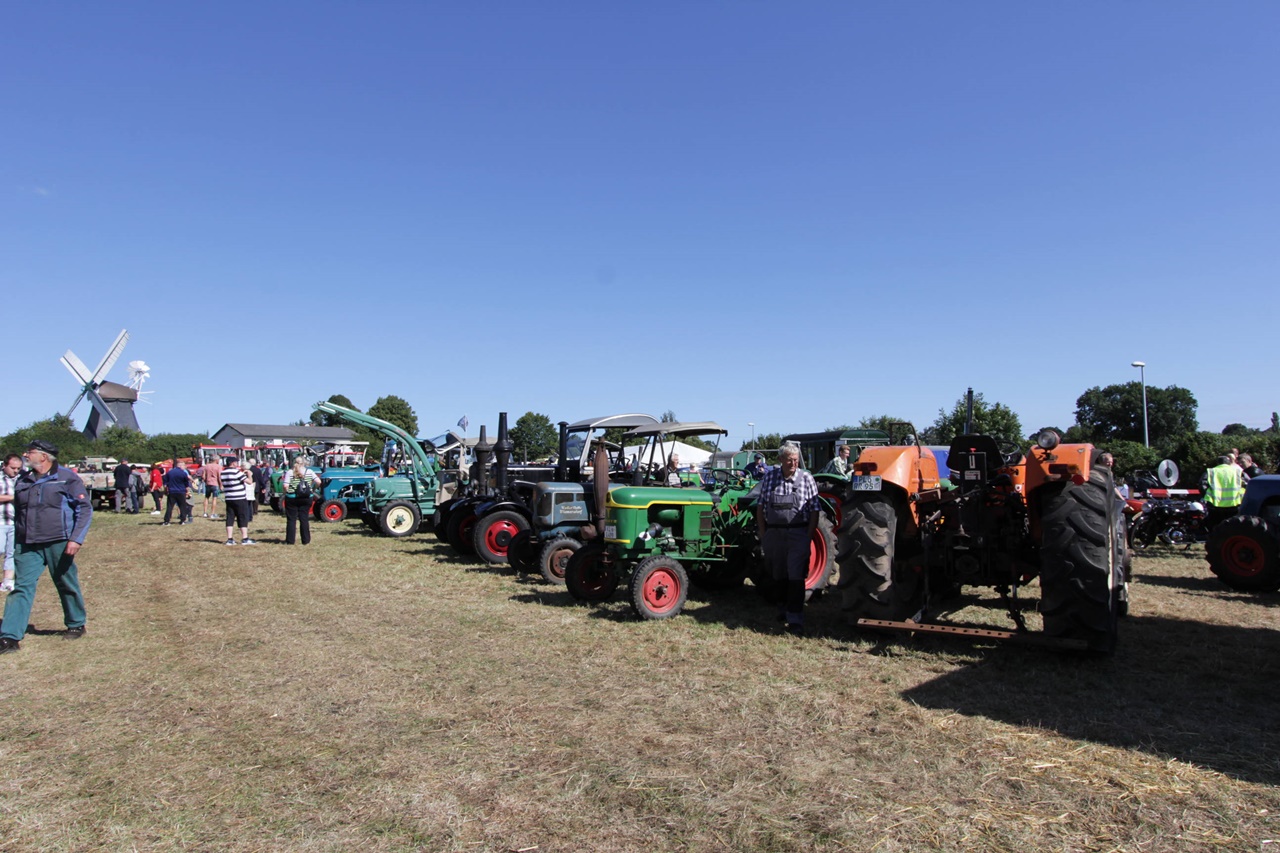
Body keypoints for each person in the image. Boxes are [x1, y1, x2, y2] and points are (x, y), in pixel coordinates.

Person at [0, 440, 93, 654]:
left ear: (43, 456)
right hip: (27, 543)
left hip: (58, 540)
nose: (25, 455)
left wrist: (76, 539)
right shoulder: (24, 479)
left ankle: (76, 623)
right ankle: (10, 637)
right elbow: (19, 511)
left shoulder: (67, 478)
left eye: (30, 452)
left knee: (65, 582)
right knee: (21, 586)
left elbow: (84, 509)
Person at [755, 441, 820, 637]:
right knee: (778, 573)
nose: (793, 463)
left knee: (796, 576)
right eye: (789, 460)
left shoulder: (806, 478)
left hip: (798, 533)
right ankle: (783, 608)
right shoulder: (770, 477)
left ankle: (795, 619)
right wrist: (764, 533)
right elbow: (761, 506)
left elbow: (815, 509)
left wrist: (808, 535)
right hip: (775, 534)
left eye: (796, 460)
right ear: (781, 459)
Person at [282, 457, 321, 545]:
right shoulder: (309, 471)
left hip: (292, 497)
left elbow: (285, 485)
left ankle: (290, 540)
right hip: (306, 497)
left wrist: (286, 492)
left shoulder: (290, 472)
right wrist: (313, 489)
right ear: (304, 463)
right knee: (304, 519)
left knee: (291, 519)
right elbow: (318, 482)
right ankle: (306, 540)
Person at [219, 458, 257, 546]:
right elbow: (249, 482)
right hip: (239, 497)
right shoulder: (236, 472)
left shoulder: (223, 473)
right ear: (233, 463)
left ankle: (230, 539)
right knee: (242, 517)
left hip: (229, 498)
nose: (237, 464)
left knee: (230, 517)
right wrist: (250, 475)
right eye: (236, 462)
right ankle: (245, 538)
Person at [1201, 455, 1244, 531]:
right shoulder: (1237, 471)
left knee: (1216, 528)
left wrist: (1207, 496)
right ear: (1229, 463)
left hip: (1215, 505)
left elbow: (1202, 485)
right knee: (1234, 527)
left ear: (1218, 463)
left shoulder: (1211, 471)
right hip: (1234, 504)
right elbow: (1247, 484)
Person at [0, 453, 21, 593]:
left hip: (16, 522)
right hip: (1, 521)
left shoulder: (22, 480)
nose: (16, 471)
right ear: (4, 466)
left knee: (11, 552)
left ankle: (7, 581)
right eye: (13, 468)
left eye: (18, 468)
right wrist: (13, 497)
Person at [162, 460, 194, 525]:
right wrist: (187, 492)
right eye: (184, 465)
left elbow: (165, 483)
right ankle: (182, 520)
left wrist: (165, 490)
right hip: (181, 491)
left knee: (170, 507)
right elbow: (186, 484)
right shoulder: (183, 473)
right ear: (180, 466)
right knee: (182, 506)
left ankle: (167, 521)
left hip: (172, 491)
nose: (184, 467)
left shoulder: (170, 472)